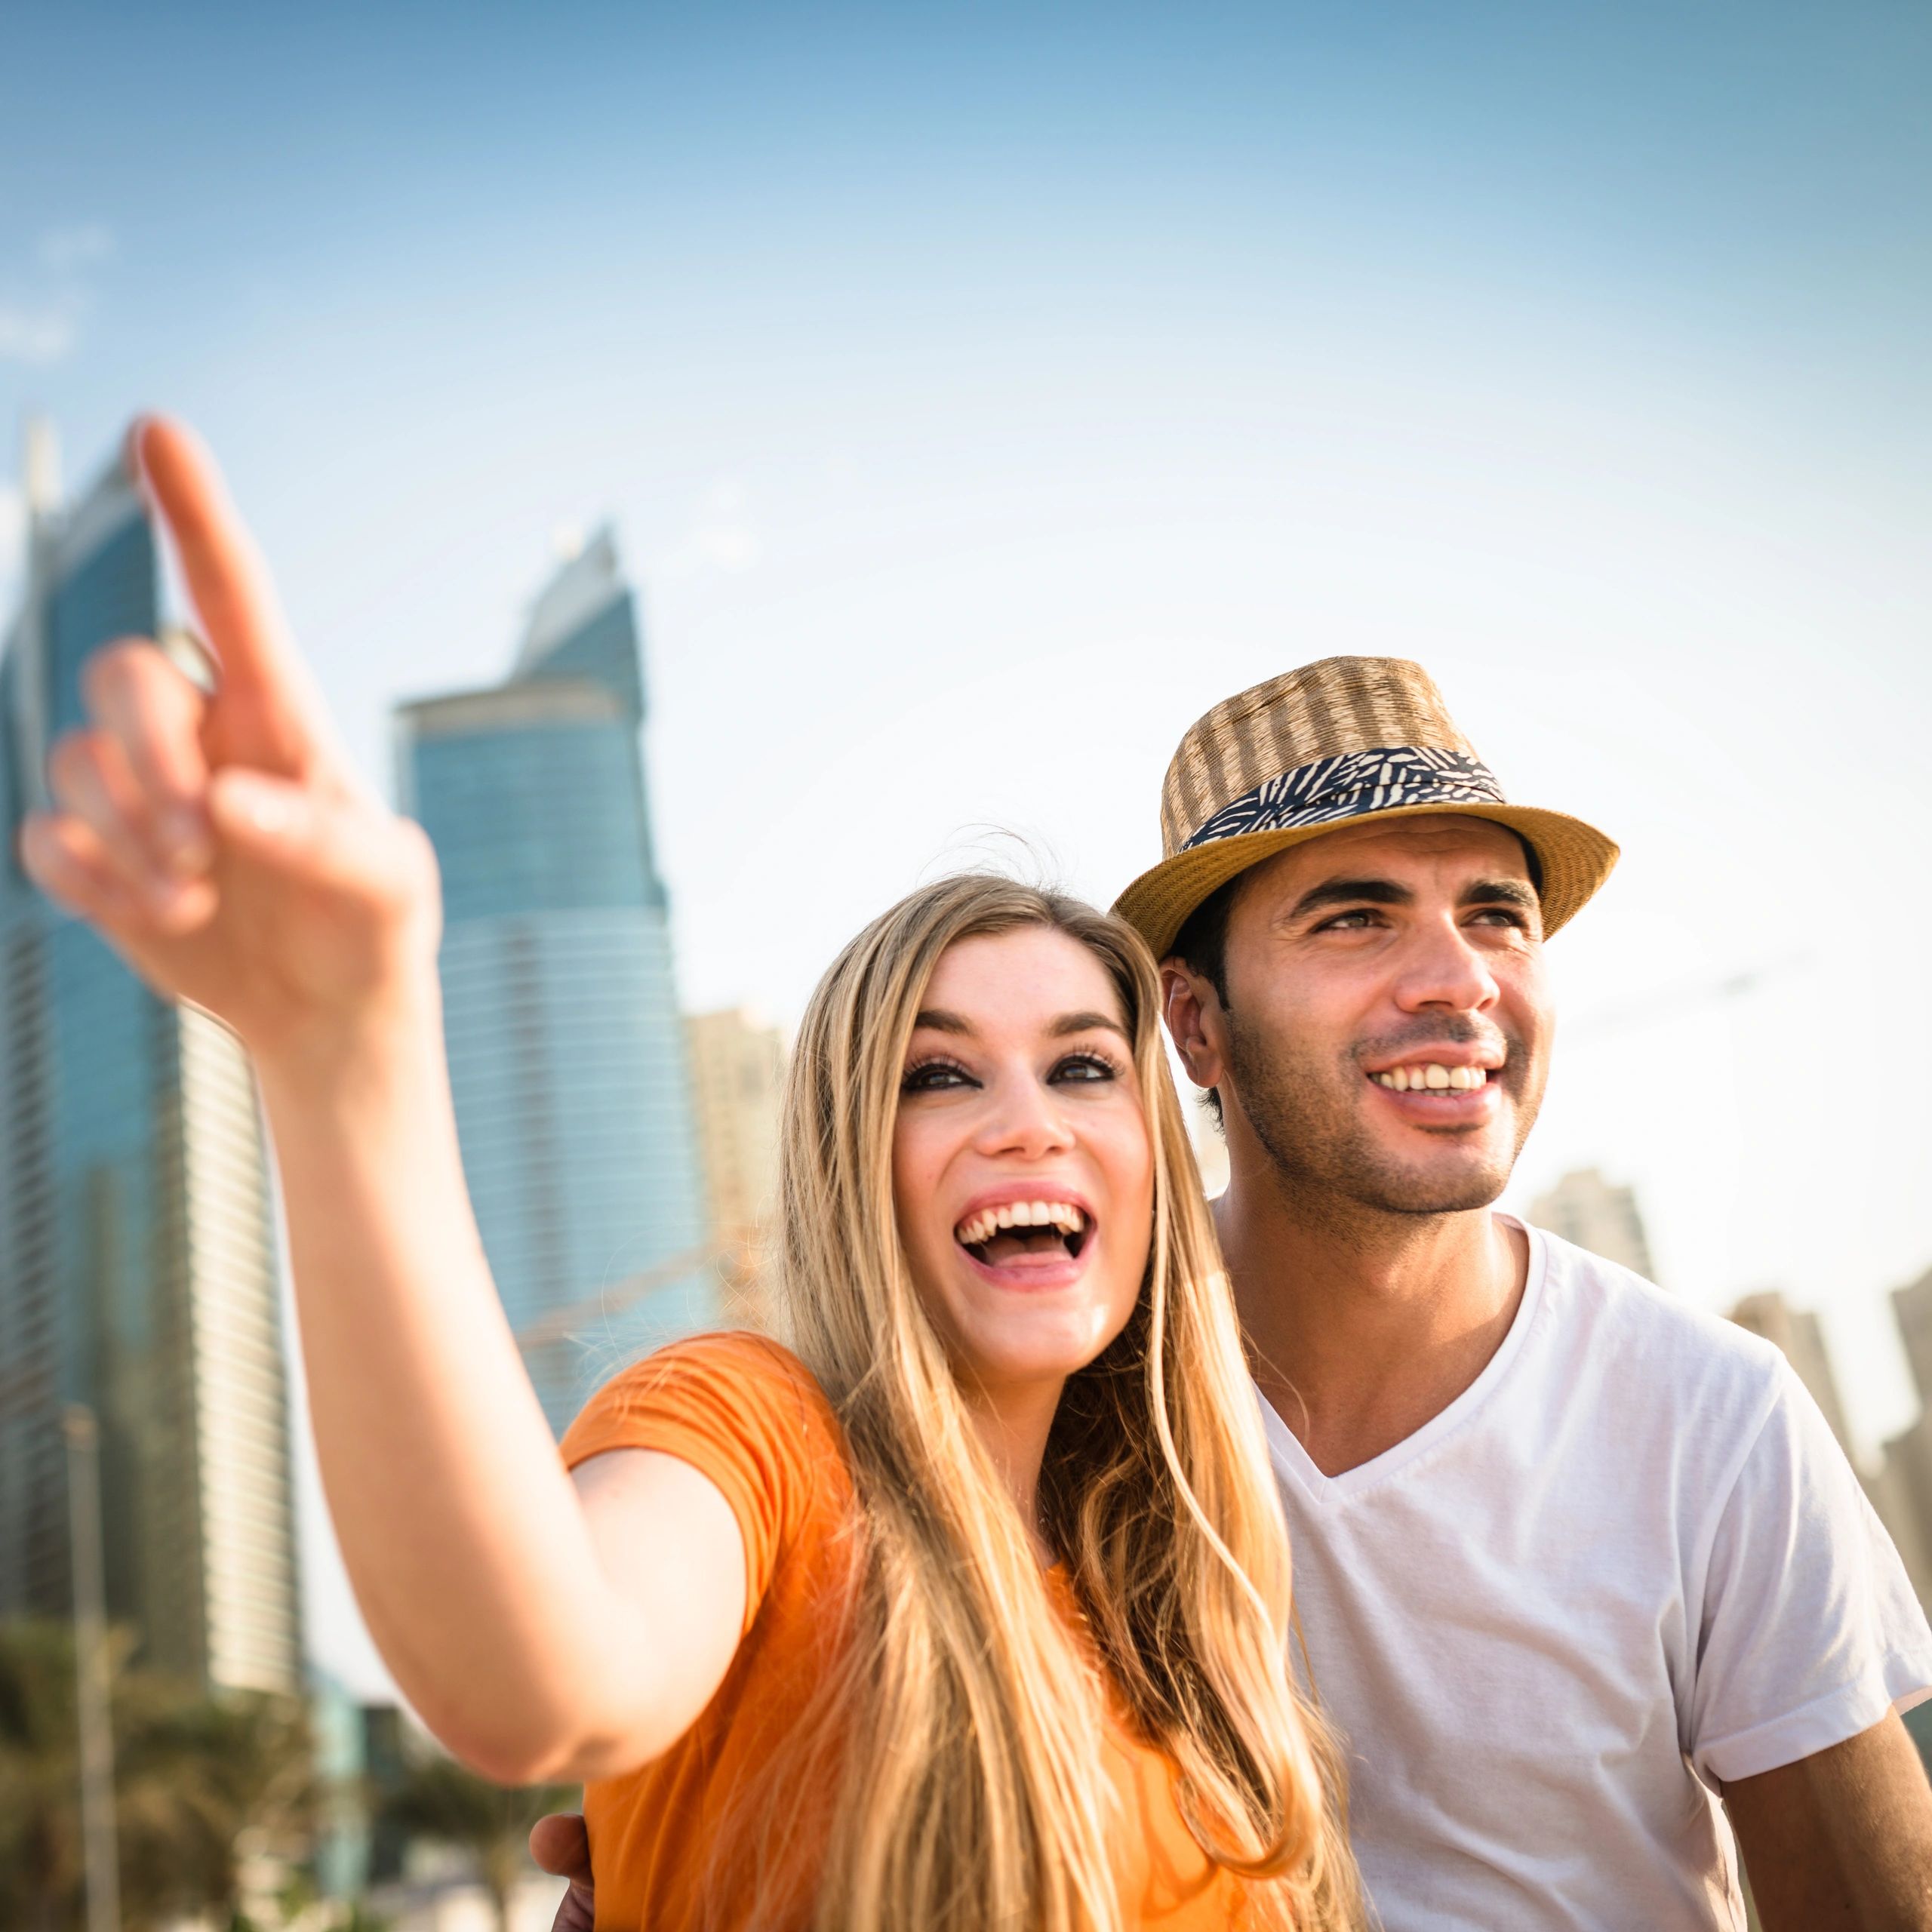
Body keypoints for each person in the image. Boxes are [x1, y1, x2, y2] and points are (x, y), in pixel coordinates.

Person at [20, 418, 1364, 1932]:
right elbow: (536, 1672)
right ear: (851, 1166)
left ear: (1151, 1151)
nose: (1024, 1120)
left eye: (1077, 1064)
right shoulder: (757, 1438)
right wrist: (342, 1054)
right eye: (937, 1072)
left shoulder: (1193, 1630)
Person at [537, 654, 1932, 1932]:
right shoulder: (1054, 1367)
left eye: (1497, 915)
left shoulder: (1713, 1418)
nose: (1455, 982)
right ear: (1195, 1024)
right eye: (1355, 919)